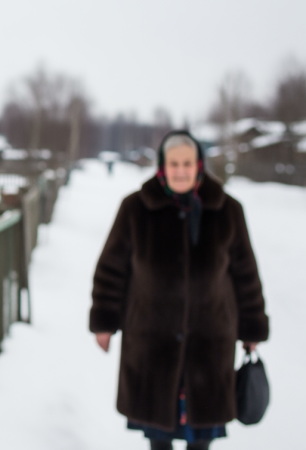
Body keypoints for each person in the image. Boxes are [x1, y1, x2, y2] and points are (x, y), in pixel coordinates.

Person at [89, 131, 269, 450]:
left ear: (199, 165)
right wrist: (104, 322)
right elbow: (110, 271)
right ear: (162, 166)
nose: (181, 171)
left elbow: (246, 276)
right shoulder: (135, 209)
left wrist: (252, 327)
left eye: (187, 163)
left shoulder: (228, 210)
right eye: (174, 164)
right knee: (158, 434)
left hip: (210, 341)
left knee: (202, 435)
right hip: (150, 340)